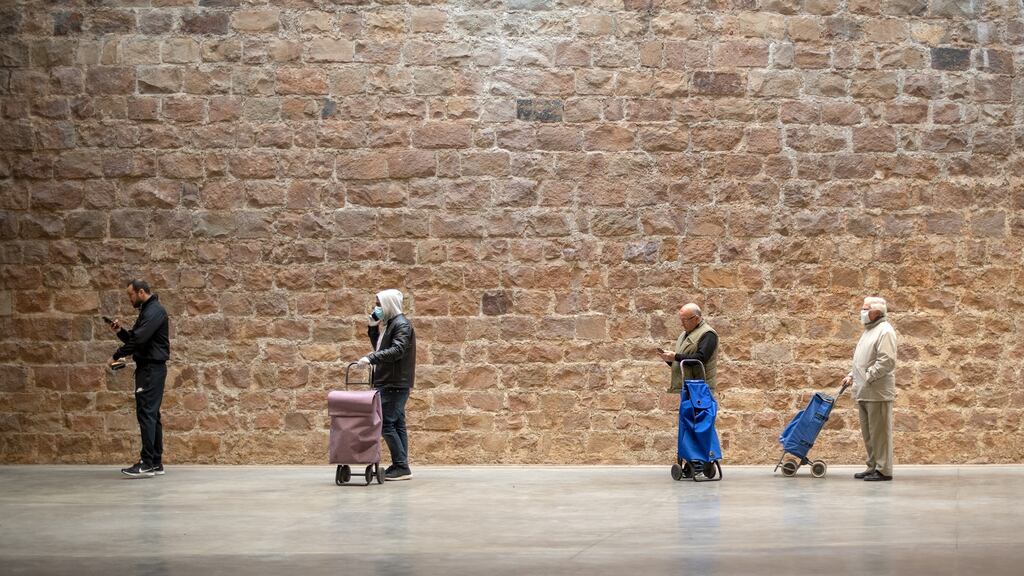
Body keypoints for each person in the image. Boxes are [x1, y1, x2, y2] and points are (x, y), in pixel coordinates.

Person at [109, 279, 170, 479]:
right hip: (149, 368)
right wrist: (120, 331)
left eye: (131, 295)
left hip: (151, 370)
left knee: (146, 414)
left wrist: (116, 355)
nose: (130, 299)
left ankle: (147, 463)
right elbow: (135, 339)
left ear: (141, 292)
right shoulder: (148, 311)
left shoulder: (154, 311)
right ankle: (156, 462)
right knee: (152, 415)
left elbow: (138, 340)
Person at [356, 289, 416, 481]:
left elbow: (397, 350)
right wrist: (373, 328)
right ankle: (401, 466)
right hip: (392, 381)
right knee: (397, 424)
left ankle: (401, 466)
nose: (376, 308)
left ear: (389, 304)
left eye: (379, 304)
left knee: (385, 424)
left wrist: (371, 358)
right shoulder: (391, 324)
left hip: (394, 383)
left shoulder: (401, 325)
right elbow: (382, 348)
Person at [842, 296, 898, 482]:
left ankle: (884, 470)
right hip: (864, 390)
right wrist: (851, 375)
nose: (862, 312)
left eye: (866, 309)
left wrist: (868, 376)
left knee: (879, 432)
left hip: (877, 391)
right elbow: (861, 359)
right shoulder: (869, 331)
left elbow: (887, 361)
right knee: (869, 432)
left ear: (877, 312)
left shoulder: (885, 331)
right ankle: (872, 465)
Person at [658, 303, 719, 393]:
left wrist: (675, 357)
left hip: (698, 391)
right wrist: (670, 359)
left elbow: (700, 359)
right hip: (684, 388)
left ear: (697, 319)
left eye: (684, 320)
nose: (682, 324)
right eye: (681, 320)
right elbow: (684, 362)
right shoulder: (684, 334)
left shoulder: (708, 334)